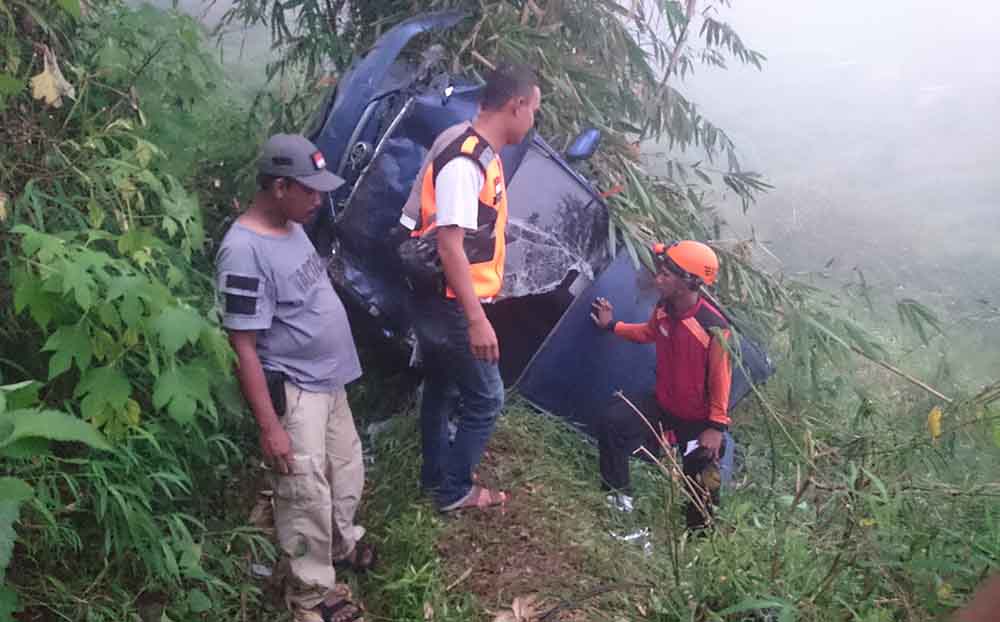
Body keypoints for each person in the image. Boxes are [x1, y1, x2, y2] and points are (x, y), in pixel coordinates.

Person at [216, 134, 371, 622]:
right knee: (304, 495)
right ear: (280, 186)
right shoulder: (243, 252)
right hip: (297, 388)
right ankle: (310, 598)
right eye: (310, 190)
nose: (319, 200)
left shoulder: (291, 223)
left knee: (345, 472)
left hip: (330, 382)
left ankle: (343, 543)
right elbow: (243, 347)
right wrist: (270, 428)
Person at [398, 62, 541, 512]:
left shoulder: (471, 145)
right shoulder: (466, 161)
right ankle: (455, 490)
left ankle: (434, 475)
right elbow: (450, 247)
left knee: (442, 384)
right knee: (486, 397)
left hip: (445, 297)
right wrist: (477, 320)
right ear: (516, 105)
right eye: (534, 109)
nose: (534, 119)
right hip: (452, 302)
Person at [591, 240, 732, 530]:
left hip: (698, 420)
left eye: (667, 274)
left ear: (689, 282)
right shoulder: (664, 308)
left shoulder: (712, 326)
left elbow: (721, 377)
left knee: (702, 481)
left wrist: (716, 426)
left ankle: (700, 537)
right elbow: (648, 333)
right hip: (665, 403)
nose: (659, 278)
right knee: (612, 421)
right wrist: (611, 326)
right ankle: (619, 499)